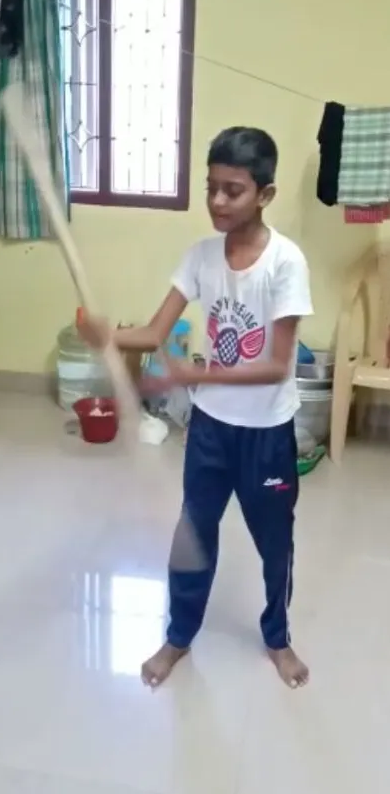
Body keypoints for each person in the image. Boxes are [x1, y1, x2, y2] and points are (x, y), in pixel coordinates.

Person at [79, 126, 313, 689]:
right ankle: (178, 637)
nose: (216, 201)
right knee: (194, 536)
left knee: (275, 545)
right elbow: (156, 331)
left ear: (265, 194)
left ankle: (277, 638)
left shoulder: (286, 262)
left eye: (232, 190)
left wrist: (189, 372)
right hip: (210, 431)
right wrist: (106, 333)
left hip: (266, 435)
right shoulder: (201, 256)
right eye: (211, 187)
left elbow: (279, 364)